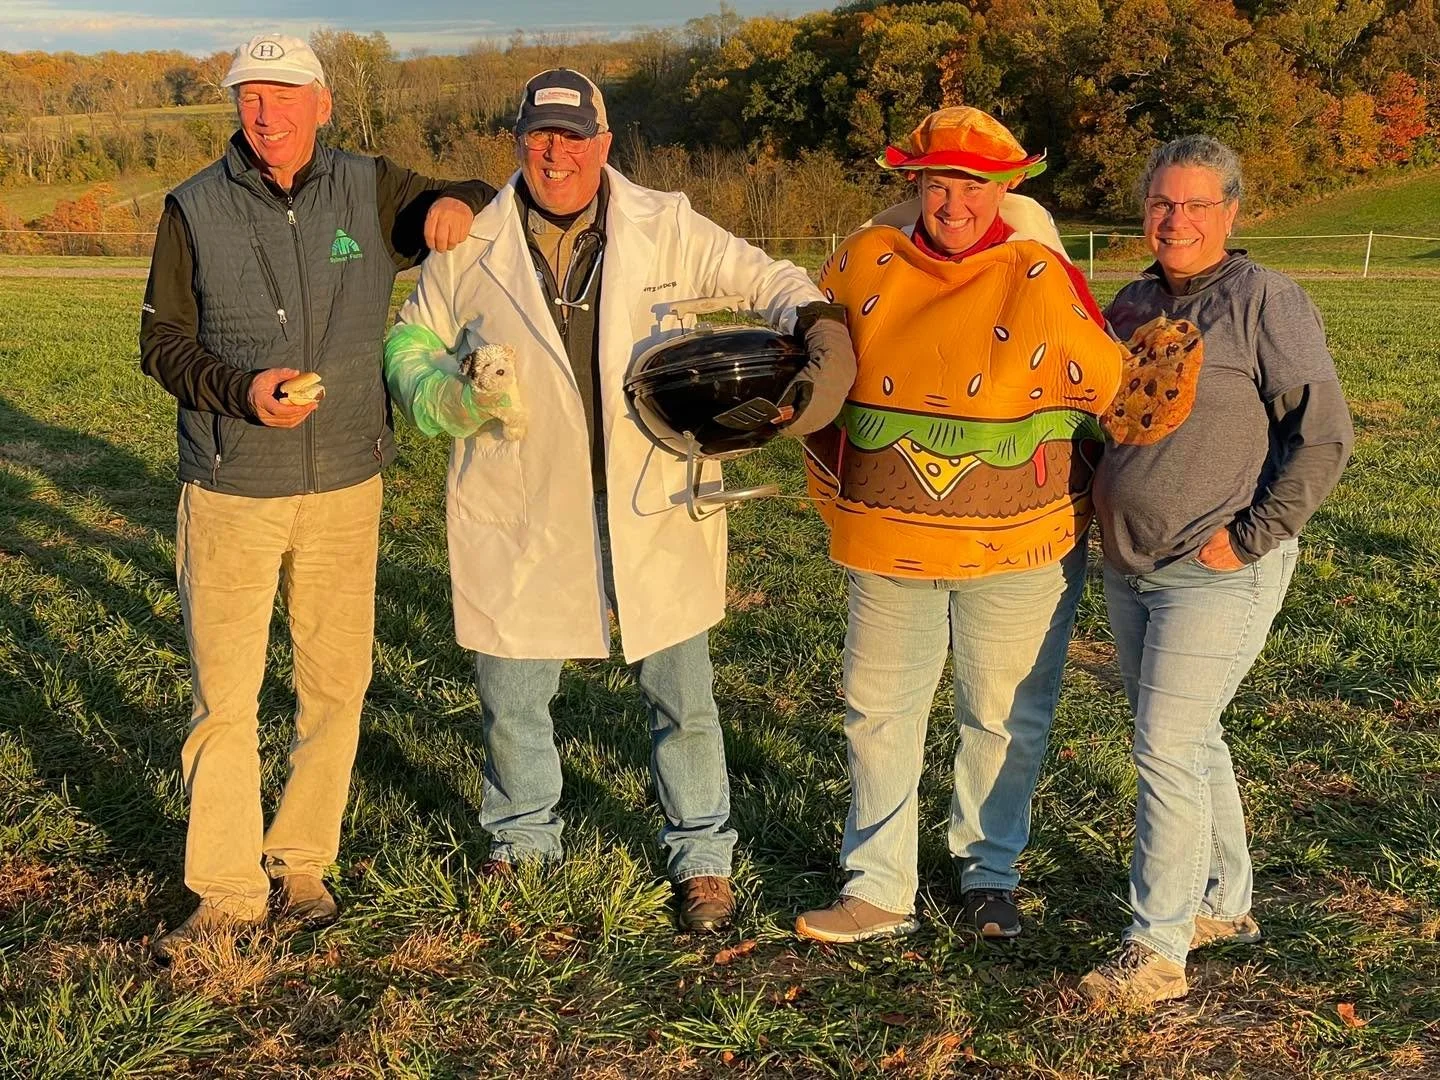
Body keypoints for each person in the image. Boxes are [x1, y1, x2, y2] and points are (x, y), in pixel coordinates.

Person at [383, 69, 856, 932]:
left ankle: (702, 856)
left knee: (682, 694)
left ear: (605, 143)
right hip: (522, 499)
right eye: (538, 136)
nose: (554, 153)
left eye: (573, 136)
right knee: (514, 692)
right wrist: (436, 394)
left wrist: (819, 328)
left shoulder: (664, 226)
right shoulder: (469, 241)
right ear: (519, 141)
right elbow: (411, 336)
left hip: (652, 497)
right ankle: (523, 839)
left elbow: (769, 280)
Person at [139, 32, 497, 962]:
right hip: (230, 483)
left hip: (347, 483)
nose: (269, 113)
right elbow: (163, 344)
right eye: (252, 97)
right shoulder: (192, 207)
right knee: (226, 694)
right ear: (236, 106)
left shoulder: (370, 189)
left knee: (335, 683)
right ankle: (224, 890)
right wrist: (243, 391)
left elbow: (475, 196)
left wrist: (457, 204)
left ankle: (301, 859)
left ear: (323, 103)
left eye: (286, 95)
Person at [794, 106, 1124, 944]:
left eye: (974, 185)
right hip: (888, 536)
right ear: (916, 185)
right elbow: (809, 360)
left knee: (1005, 710)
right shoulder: (863, 262)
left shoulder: (1043, 272)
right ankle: (877, 886)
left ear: (1005, 189)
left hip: (1018, 542)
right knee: (878, 711)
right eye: (940, 183)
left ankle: (990, 874)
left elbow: (1107, 384)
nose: (955, 203)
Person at [1078, 135, 1353, 1005]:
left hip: (1217, 566)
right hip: (1130, 566)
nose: (1177, 219)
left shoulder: (1266, 299)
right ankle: (1224, 903)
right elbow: (1103, 424)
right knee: (1189, 739)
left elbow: (1324, 434)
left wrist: (1252, 534)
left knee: (1162, 746)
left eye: (1198, 205)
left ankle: (1156, 946)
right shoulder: (1128, 305)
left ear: (1232, 212)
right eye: (1163, 202)